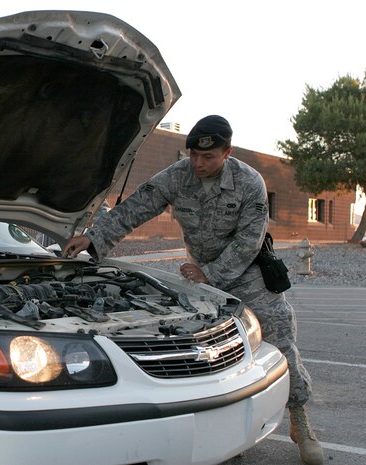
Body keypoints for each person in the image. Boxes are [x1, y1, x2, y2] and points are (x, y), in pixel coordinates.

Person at [63, 115, 323, 465]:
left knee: (281, 339)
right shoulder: (177, 176)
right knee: (211, 354)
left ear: (227, 152)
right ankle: (228, 432)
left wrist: (209, 273)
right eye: (193, 156)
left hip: (248, 276)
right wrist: (93, 238)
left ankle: (300, 420)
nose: (198, 164)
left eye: (209, 157)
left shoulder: (250, 182)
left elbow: (249, 241)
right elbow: (134, 209)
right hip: (200, 277)